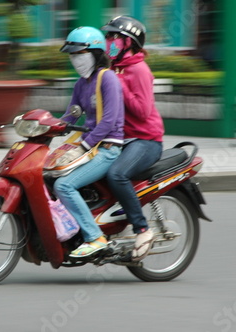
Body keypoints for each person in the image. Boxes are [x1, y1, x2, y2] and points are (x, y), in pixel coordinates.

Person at [54, 26, 124, 258]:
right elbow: (70, 116)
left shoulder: (108, 79)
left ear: (95, 53)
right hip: (90, 145)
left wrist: (84, 145)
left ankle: (95, 237)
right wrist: (44, 128)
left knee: (63, 185)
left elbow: (109, 121)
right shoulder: (80, 84)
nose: (75, 59)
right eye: (72, 55)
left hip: (107, 148)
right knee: (50, 173)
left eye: (80, 54)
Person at [101, 16, 165, 261]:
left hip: (145, 140)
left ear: (128, 42)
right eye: (107, 37)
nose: (108, 41)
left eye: (113, 37)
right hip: (120, 138)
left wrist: (118, 83)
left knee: (117, 174)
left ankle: (142, 229)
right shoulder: (112, 69)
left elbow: (142, 111)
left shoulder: (138, 69)